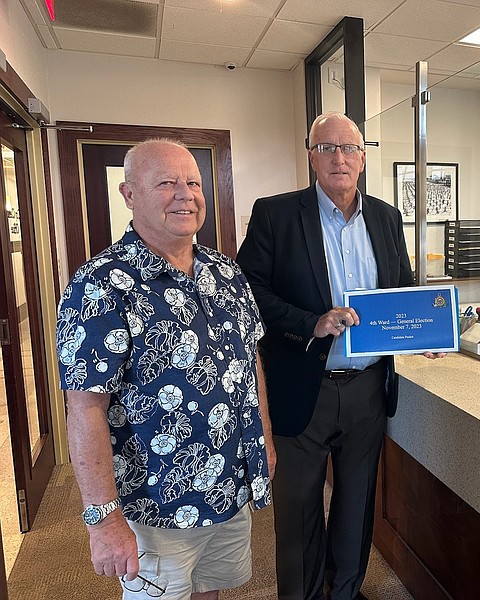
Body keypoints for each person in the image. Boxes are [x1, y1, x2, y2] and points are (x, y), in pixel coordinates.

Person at [56, 139, 276, 600]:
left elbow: (250, 360)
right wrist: (103, 517)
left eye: (193, 182)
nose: (186, 194)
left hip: (229, 486)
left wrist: (265, 442)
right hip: (156, 504)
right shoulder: (100, 285)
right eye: (167, 183)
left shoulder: (226, 273)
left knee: (210, 591)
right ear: (129, 194)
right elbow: (85, 407)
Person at [237, 112, 442, 600]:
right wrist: (311, 322)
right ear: (310, 156)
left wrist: (421, 332)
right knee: (299, 506)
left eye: (349, 149)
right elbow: (247, 293)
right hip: (303, 384)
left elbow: (399, 293)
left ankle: (345, 591)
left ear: (363, 158)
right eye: (327, 148)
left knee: (356, 503)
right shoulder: (276, 214)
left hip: (367, 390)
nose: (339, 158)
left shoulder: (388, 218)